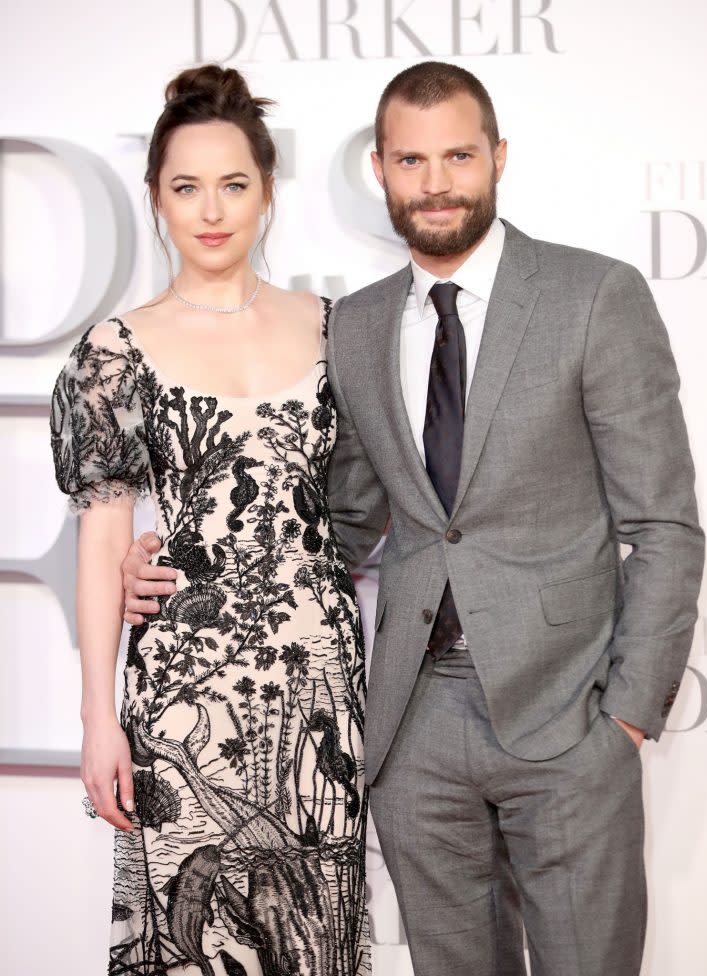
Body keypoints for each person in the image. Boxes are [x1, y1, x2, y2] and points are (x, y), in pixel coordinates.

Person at [123, 62, 706, 976]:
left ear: (498, 158)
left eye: (457, 156)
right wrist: (189, 570)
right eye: (410, 160)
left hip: (568, 716)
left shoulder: (594, 296)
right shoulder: (352, 327)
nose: (435, 182)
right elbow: (341, 523)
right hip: (415, 723)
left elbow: (665, 526)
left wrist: (625, 718)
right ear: (382, 172)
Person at [50, 64, 369, 976]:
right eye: (186, 187)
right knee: (196, 944)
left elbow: (379, 496)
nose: (211, 209)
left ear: (268, 192)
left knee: (310, 938)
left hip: (316, 702)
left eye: (234, 184)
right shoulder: (114, 350)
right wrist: (97, 719)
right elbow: (104, 537)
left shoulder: (334, 328)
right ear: (156, 197)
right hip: (182, 703)